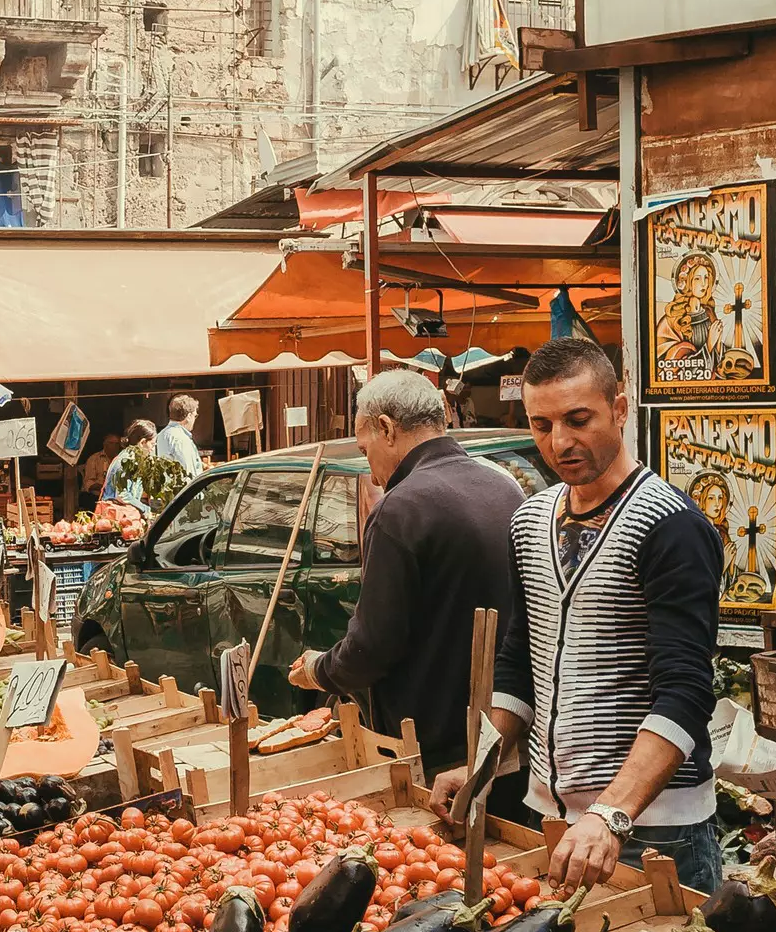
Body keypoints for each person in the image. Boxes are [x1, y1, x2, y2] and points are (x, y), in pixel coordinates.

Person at [428, 338, 723, 894]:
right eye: (541, 425)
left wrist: (611, 814)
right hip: (555, 821)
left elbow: (685, 691)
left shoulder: (671, 526)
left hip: (655, 831)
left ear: (620, 408)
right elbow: (520, 659)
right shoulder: (529, 521)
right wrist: (481, 762)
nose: (559, 442)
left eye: (578, 419)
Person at [285, 370, 528, 779]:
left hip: (436, 750)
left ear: (386, 428)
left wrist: (318, 670)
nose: (373, 472)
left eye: (365, 450)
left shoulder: (399, 509)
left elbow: (373, 647)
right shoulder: (503, 485)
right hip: (507, 735)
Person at [101, 420, 158, 513]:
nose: (152, 448)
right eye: (152, 444)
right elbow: (122, 495)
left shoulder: (134, 459)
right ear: (142, 442)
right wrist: (146, 509)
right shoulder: (126, 461)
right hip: (116, 515)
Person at [155, 394, 204, 479]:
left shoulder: (160, 435)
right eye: (195, 415)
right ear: (189, 416)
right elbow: (189, 475)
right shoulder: (181, 440)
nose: (195, 419)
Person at [80, 434, 122, 509]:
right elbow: (88, 483)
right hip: (96, 495)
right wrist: (103, 487)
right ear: (105, 445)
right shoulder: (94, 459)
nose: (114, 446)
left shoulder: (122, 459)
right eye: (111, 443)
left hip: (117, 496)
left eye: (117, 444)